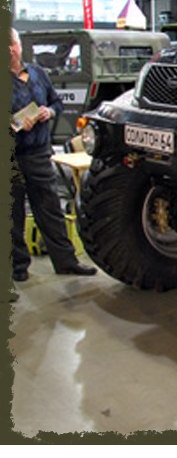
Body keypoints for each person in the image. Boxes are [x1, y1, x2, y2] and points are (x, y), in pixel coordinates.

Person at [9, 27, 97, 282]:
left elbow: (56, 102)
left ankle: (66, 262)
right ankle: (17, 268)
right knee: (12, 214)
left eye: (11, 44)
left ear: (18, 46)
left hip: (38, 153)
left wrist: (49, 112)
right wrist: (13, 123)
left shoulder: (38, 73)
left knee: (50, 210)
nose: (9, 50)